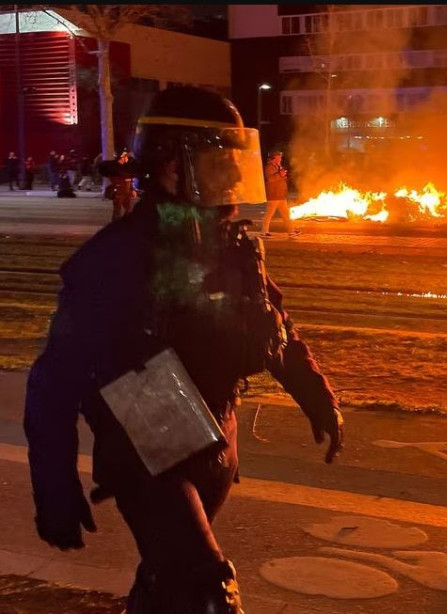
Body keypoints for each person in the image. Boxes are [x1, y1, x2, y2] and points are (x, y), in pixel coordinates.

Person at [24, 86, 345, 612]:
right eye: (221, 161)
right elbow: (53, 380)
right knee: (207, 591)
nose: (236, 177)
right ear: (173, 167)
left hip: (217, 436)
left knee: (166, 581)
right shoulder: (116, 258)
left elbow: (276, 324)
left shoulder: (233, 245)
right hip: (147, 442)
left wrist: (316, 393)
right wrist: (54, 483)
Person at [260, 150, 299, 239]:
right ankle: (264, 232)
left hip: (280, 195)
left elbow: (279, 178)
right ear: (274, 158)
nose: (281, 158)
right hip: (273, 195)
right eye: (279, 157)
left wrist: (284, 176)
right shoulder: (269, 167)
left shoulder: (278, 166)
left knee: (286, 215)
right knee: (269, 214)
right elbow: (270, 179)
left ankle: (291, 231)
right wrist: (280, 175)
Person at [108, 148, 136, 221]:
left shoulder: (127, 163)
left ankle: (125, 221)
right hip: (121, 188)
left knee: (127, 207)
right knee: (118, 206)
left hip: (126, 188)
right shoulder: (121, 162)